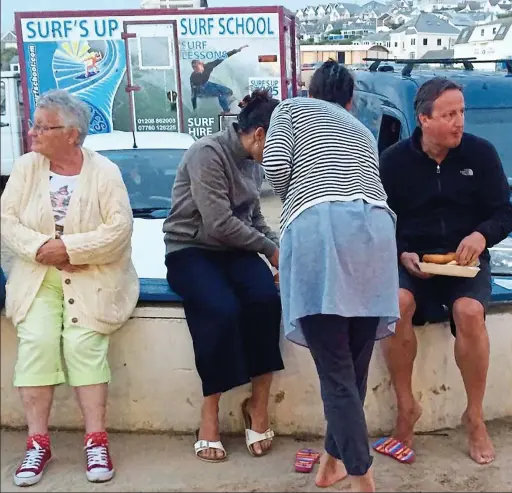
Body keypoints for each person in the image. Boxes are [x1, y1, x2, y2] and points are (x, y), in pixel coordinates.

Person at [262, 60, 399, 492]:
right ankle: (330, 464)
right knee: (352, 371)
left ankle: (364, 480)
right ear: (350, 99)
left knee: (337, 375)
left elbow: (274, 171)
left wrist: (301, 187)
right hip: (377, 230)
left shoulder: (290, 109)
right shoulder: (360, 130)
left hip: (321, 227)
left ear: (310, 89)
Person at [0, 89, 138, 486]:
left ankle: (96, 441)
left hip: (93, 275)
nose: (33, 133)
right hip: (37, 275)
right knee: (37, 344)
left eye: (44, 127)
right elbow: (7, 222)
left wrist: (71, 249)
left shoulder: (104, 172)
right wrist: (42, 248)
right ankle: (37, 443)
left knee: (83, 345)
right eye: (35, 125)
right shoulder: (26, 168)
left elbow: (119, 229)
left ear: (72, 134)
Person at [378, 77, 512, 464]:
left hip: (466, 259)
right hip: (415, 260)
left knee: (469, 312)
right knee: (396, 303)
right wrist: (401, 252)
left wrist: (481, 235)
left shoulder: (480, 154)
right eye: (449, 114)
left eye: (461, 113)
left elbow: (505, 213)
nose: (459, 122)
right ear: (424, 118)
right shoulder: (394, 161)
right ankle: (406, 409)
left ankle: (474, 415)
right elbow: (379, 219)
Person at [162, 90, 282, 462]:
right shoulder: (208, 153)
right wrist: (269, 250)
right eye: (278, 141)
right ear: (260, 134)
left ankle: (257, 405)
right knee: (220, 308)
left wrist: (281, 247)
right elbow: (218, 223)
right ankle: (209, 411)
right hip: (191, 249)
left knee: (266, 300)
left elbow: (254, 218)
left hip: (234, 252)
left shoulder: (253, 160)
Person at [190, 46, 247, 114]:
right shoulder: (193, 77)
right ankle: (226, 111)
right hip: (200, 91)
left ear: (201, 64)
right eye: (194, 68)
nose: (196, 69)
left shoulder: (209, 66)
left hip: (207, 84)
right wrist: (194, 109)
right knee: (220, 93)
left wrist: (236, 50)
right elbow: (193, 95)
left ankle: (227, 102)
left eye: (196, 67)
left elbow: (222, 58)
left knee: (229, 91)